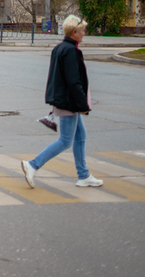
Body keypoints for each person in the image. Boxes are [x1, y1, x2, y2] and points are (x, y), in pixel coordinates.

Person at [21, 15, 103, 189]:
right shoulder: (71, 51)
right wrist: (82, 106)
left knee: (80, 136)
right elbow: (73, 82)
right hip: (68, 102)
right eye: (82, 31)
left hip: (64, 100)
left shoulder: (60, 48)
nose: (84, 34)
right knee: (66, 140)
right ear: (74, 32)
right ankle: (33, 165)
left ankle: (84, 175)